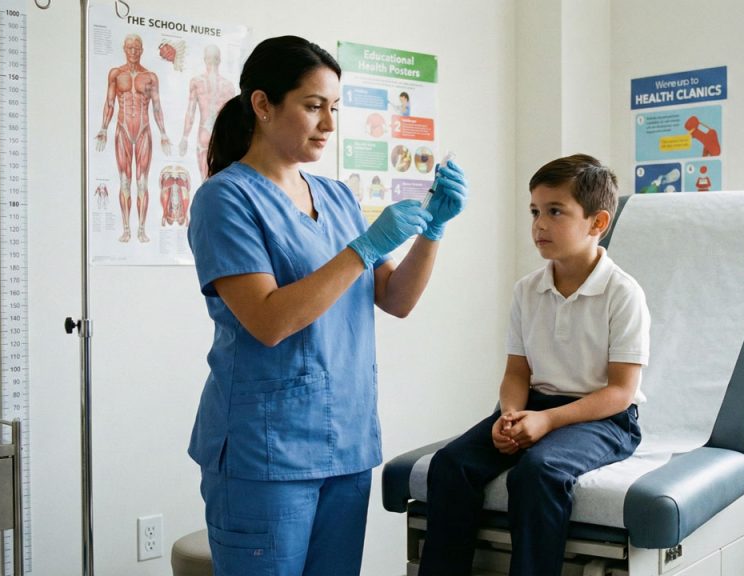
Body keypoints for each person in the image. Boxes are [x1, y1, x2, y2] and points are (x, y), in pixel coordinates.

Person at [186, 36, 467, 576]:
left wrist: (433, 230)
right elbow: (268, 321)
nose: (329, 125)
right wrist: (361, 250)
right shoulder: (226, 199)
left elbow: (397, 299)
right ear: (263, 105)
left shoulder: (337, 197)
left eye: (334, 108)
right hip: (264, 453)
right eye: (314, 106)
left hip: (346, 443)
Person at [418, 154, 649, 576]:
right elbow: (517, 373)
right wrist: (509, 416)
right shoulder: (528, 290)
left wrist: (546, 423)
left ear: (598, 223)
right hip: (534, 405)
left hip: (604, 418)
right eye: (535, 211)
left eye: (555, 211)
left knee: (538, 471)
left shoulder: (622, 293)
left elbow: (620, 392)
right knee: (451, 464)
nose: (539, 224)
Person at [95, 33, 171, 243]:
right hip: (123, 129)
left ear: (142, 50)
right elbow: (109, 103)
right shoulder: (116, 74)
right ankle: (127, 228)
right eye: (130, 48)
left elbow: (156, 106)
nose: (133, 52)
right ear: (124, 49)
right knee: (125, 181)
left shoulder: (150, 77)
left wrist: (163, 133)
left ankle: (142, 229)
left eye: (137, 48)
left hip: (144, 130)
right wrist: (103, 128)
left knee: (143, 182)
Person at [179, 44, 238, 181]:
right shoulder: (227, 85)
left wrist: (184, 138)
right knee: (222, 180)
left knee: (205, 180)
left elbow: (191, 112)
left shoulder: (197, 82)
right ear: (219, 60)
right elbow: (232, 118)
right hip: (222, 136)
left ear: (205, 59)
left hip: (205, 132)